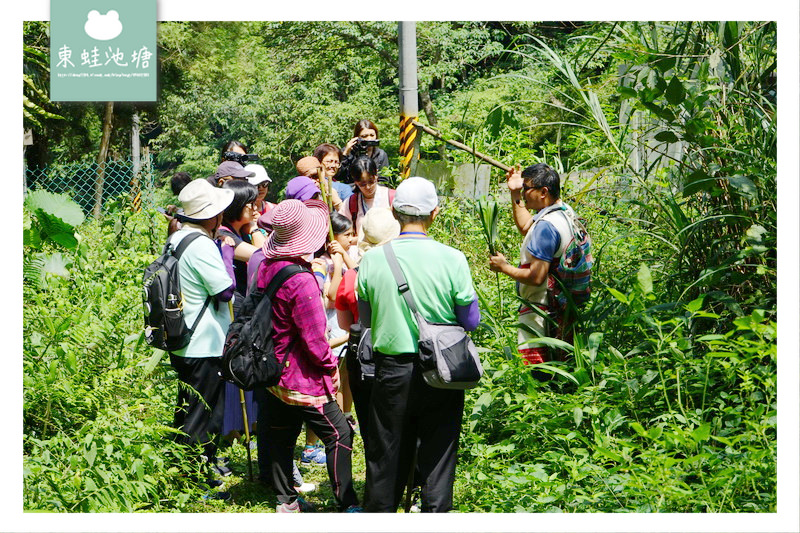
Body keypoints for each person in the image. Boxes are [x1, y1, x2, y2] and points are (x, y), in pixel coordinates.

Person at [357, 177, 480, 513]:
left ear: (395, 212)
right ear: (435, 213)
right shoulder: (453, 258)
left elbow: (366, 321)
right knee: (439, 453)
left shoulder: (371, 260)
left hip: (391, 371)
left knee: (386, 453)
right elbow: (470, 321)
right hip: (442, 370)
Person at [254, 198, 360, 513]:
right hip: (302, 378)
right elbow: (315, 340)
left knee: (282, 436)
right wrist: (331, 370)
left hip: (275, 370)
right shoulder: (302, 281)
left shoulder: (268, 266)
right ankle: (348, 503)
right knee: (339, 433)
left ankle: (286, 500)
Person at [168, 179, 237, 500]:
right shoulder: (201, 245)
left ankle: (187, 469)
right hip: (203, 342)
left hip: (182, 338)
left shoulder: (176, 238)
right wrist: (226, 251)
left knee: (188, 409)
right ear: (212, 217)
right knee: (205, 414)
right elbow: (224, 290)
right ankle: (192, 483)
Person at [488, 163, 577, 374]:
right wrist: (515, 194)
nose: (523, 192)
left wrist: (504, 267)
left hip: (542, 311)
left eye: (526, 188)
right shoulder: (563, 212)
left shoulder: (547, 227)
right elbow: (527, 227)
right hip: (562, 305)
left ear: (543, 192)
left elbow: (537, 277)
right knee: (561, 367)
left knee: (540, 372)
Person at [334, 207, 400, 455]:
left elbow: (344, 324)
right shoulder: (403, 271)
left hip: (364, 355)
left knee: (371, 422)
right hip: (398, 351)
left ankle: (377, 472)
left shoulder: (352, 276)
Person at [338, 157, 395, 244]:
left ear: (376, 174)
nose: (368, 187)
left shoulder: (391, 198)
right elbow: (342, 235)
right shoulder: (350, 203)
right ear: (356, 182)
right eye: (362, 184)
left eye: (371, 182)